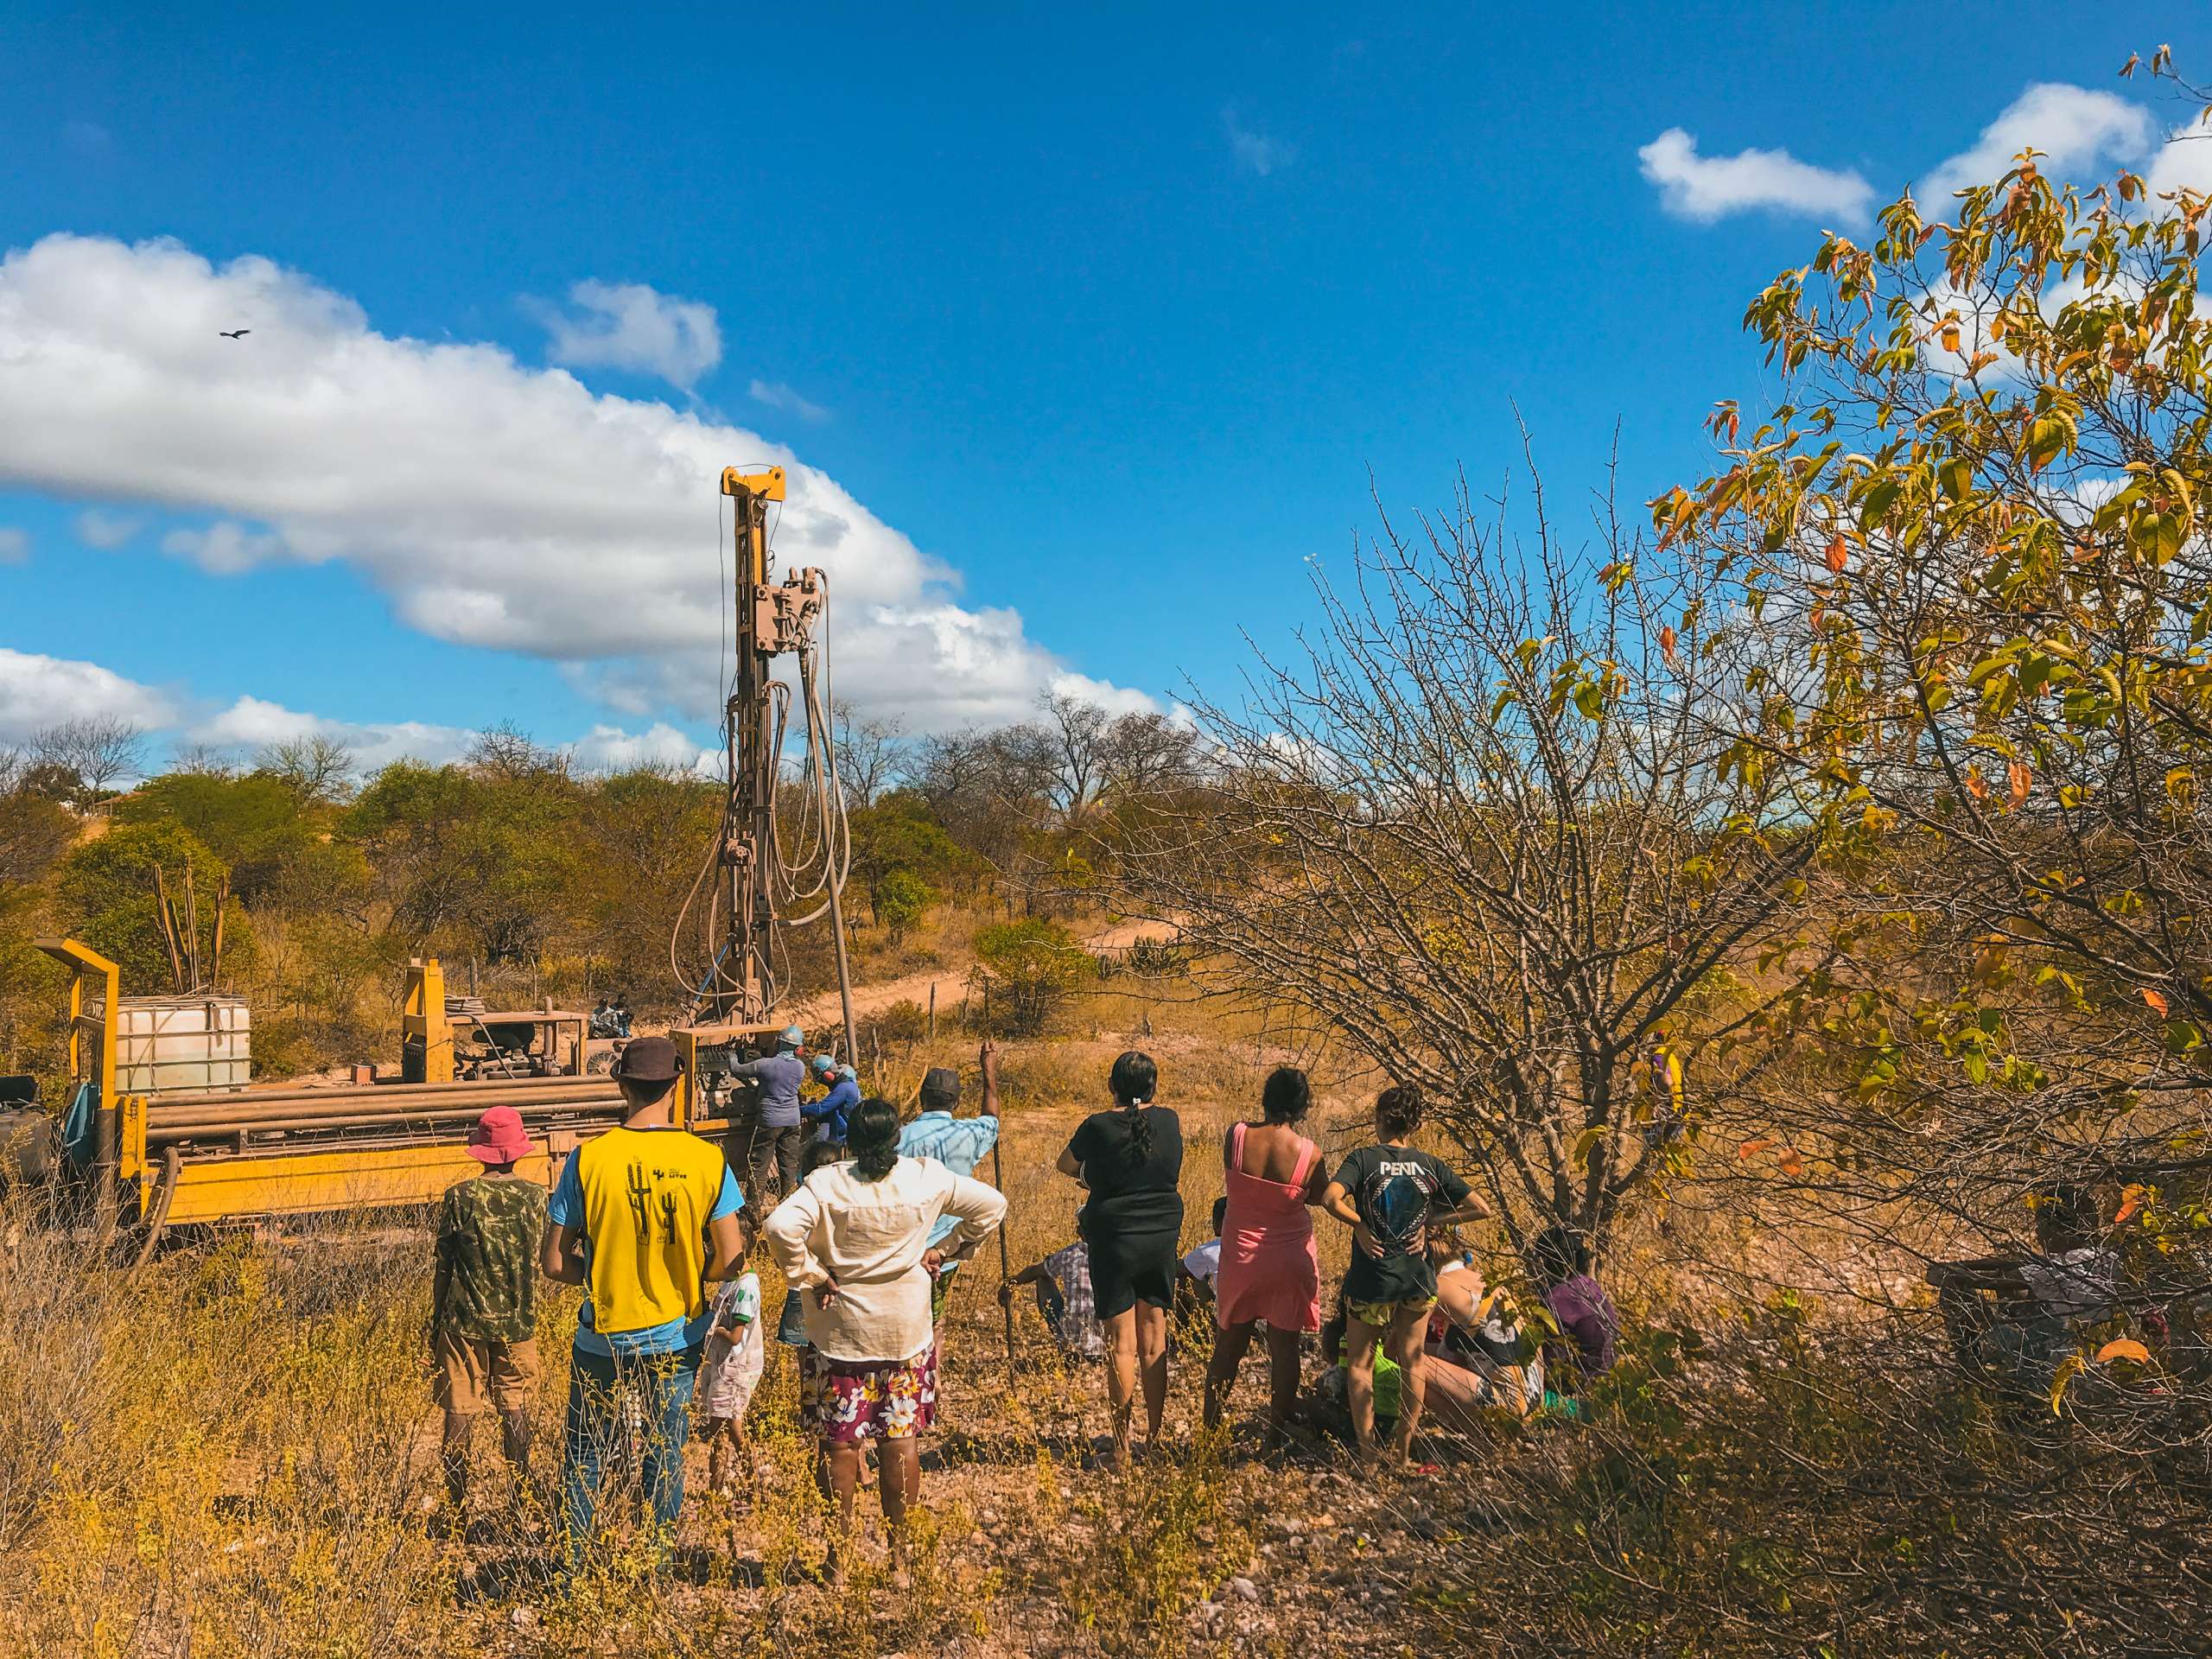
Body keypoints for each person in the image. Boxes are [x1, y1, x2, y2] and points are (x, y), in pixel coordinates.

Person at [766, 1096, 1007, 1581]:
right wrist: (951, 1248)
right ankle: (901, 1558)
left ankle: (839, 1557)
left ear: (850, 1141)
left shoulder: (827, 1183)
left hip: (841, 1332)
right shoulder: (925, 1177)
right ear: (896, 1139)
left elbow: (777, 1226)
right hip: (905, 1329)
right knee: (901, 1439)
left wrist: (810, 1274)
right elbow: (992, 1205)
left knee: (841, 1444)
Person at [541, 1036, 746, 1571]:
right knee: (664, 1452)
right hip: (675, 1336)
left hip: (602, 1335)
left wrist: (603, 1270)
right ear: (677, 1085)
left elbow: (555, 1263)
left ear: (621, 1085)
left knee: (584, 1453)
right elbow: (731, 1255)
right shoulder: (707, 1159)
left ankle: (572, 1566)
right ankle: (653, 1567)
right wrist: (687, 1274)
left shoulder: (588, 1160)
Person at [1320, 1083, 1491, 1465]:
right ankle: (1403, 1450)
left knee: (1361, 1363)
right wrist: (1434, 1220)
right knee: (1413, 1362)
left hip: (1372, 1277)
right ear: (1413, 1125)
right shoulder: (1430, 1165)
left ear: (1380, 1118)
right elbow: (1481, 1207)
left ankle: (1367, 1454)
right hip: (1417, 1278)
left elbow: (1331, 1198)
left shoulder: (1363, 1159)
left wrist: (1360, 1225)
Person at [1057, 1050, 1185, 1465]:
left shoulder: (1098, 1125)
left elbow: (1066, 1165)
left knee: (1120, 1344)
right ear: (1154, 1086)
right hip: (1162, 1232)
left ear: (1112, 1086)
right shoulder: (1170, 1120)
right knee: (1155, 1336)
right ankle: (1159, 1439)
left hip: (1114, 1236)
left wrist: (1092, 1178)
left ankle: (1123, 1446)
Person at [429, 1104, 546, 1531]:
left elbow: (443, 1265)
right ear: (518, 1151)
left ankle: (456, 1510)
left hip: (463, 1320)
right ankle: (521, 1499)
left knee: (459, 1409)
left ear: (480, 1151)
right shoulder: (536, 1198)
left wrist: (436, 1320)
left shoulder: (460, 1197)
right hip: (519, 1322)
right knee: (514, 1406)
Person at [1204, 1065, 1327, 1444]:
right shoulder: (1309, 1153)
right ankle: (1275, 1433)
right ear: (1302, 1107)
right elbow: (1320, 1197)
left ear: (1266, 1098)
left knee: (1229, 1344)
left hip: (1241, 1255)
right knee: (1285, 1347)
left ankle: (1210, 1429)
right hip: (1288, 1256)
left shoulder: (1237, 1136)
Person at [1929, 1185, 2117, 1397]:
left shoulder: (2062, 1265)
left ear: (2054, 1227)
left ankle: (1972, 1375)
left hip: (2059, 1375)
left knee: (1954, 1292)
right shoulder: (2106, 1257)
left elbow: (2001, 1279)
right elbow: (2016, 1267)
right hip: (2105, 1371)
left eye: (2040, 1225)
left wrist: (1949, 1274)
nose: (2037, 1234)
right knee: (2024, 1298)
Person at [897, 1040, 1003, 1356]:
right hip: (947, 1245)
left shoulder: (899, 1136)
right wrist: (989, 1071)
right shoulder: (969, 1134)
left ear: (921, 1098)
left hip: (907, 1244)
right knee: (936, 1316)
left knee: (908, 1315)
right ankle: (934, 1377)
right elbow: (992, 1117)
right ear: (956, 1102)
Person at [696, 1224, 766, 1505]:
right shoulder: (732, 1280)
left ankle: (722, 1490)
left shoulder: (746, 1287)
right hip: (726, 1365)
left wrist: (709, 1328)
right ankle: (742, 1485)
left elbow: (736, 1334)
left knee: (723, 1429)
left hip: (736, 1367)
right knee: (728, 1427)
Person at [1528, 1224, 1619, 1408]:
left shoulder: (1557, 1299)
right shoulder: (1589, 1286)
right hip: (1608, 1384)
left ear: (1546, 1262)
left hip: (1576, 1396)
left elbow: (1549, 1363)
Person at [727, 1025, 808, 1205]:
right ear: (798, 1049)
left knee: (759, 1166)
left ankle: (754, 1210)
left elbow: (737, 1070)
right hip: (792, 1122)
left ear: (778, 1042)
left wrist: (732, 1055)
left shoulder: (764, 1065)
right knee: (788, 1166)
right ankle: (789, 1205)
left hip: (770, 1121)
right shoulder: (800, 1068)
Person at [1001, 1236, 1109, 1362]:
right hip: (1109, 1348)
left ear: (1080, 1231)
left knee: (1042, 1277)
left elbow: (1033, 1271)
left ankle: (1064, 1346)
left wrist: (1010, 1283)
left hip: (1072, 1347)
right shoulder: (1115, 1254)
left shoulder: (1070, 1254)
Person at [804, 1056, 861, 1149]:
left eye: (822, 1080)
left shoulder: (843, 1088)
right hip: (845, 1130)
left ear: (827, 1076)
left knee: (815, 1148)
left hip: (843, 1133)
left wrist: (797, 1110)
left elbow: (820, 1109)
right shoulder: (849, 1084)